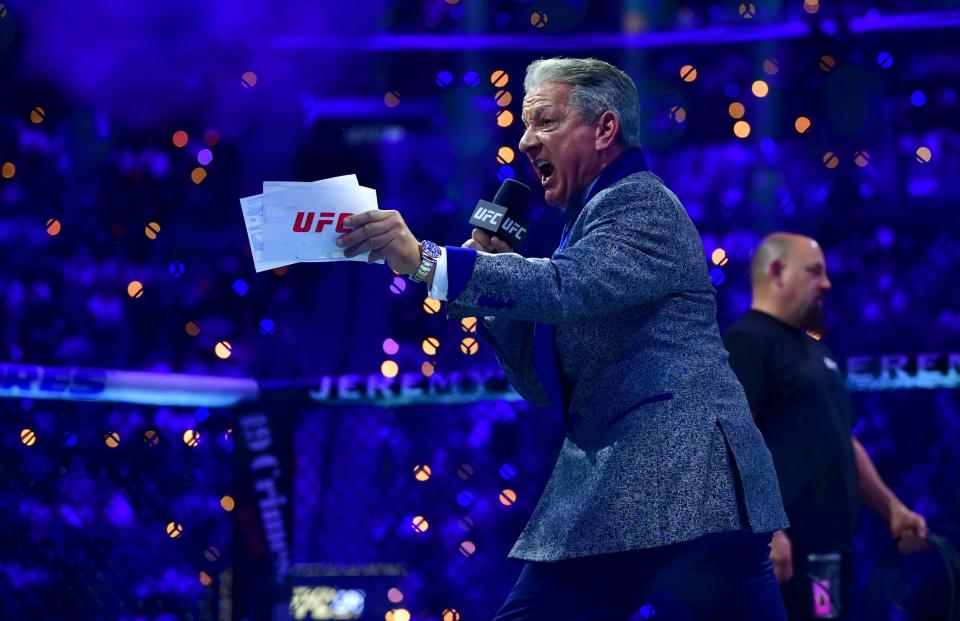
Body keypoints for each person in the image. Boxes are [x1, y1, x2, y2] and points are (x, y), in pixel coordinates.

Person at [336, 57, 789, 619]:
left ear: (604, 129)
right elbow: (538, 382)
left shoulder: (640, 203)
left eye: (545, 122)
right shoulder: (588, 225)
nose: (526, 142)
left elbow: (564, 287)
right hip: (709, 493)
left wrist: (428, 260)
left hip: (661, 477)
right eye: (525, 126)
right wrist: (496, 297)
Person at [723, 232, 929, 619]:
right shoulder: (747, 341)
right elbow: (732, 441)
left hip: (829, 550)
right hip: (785, 554)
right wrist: (766, 531)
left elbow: (843, 441)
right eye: (815, 272)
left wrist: (893, 510)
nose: (827, 284)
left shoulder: (818, 351)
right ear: (777, 271)